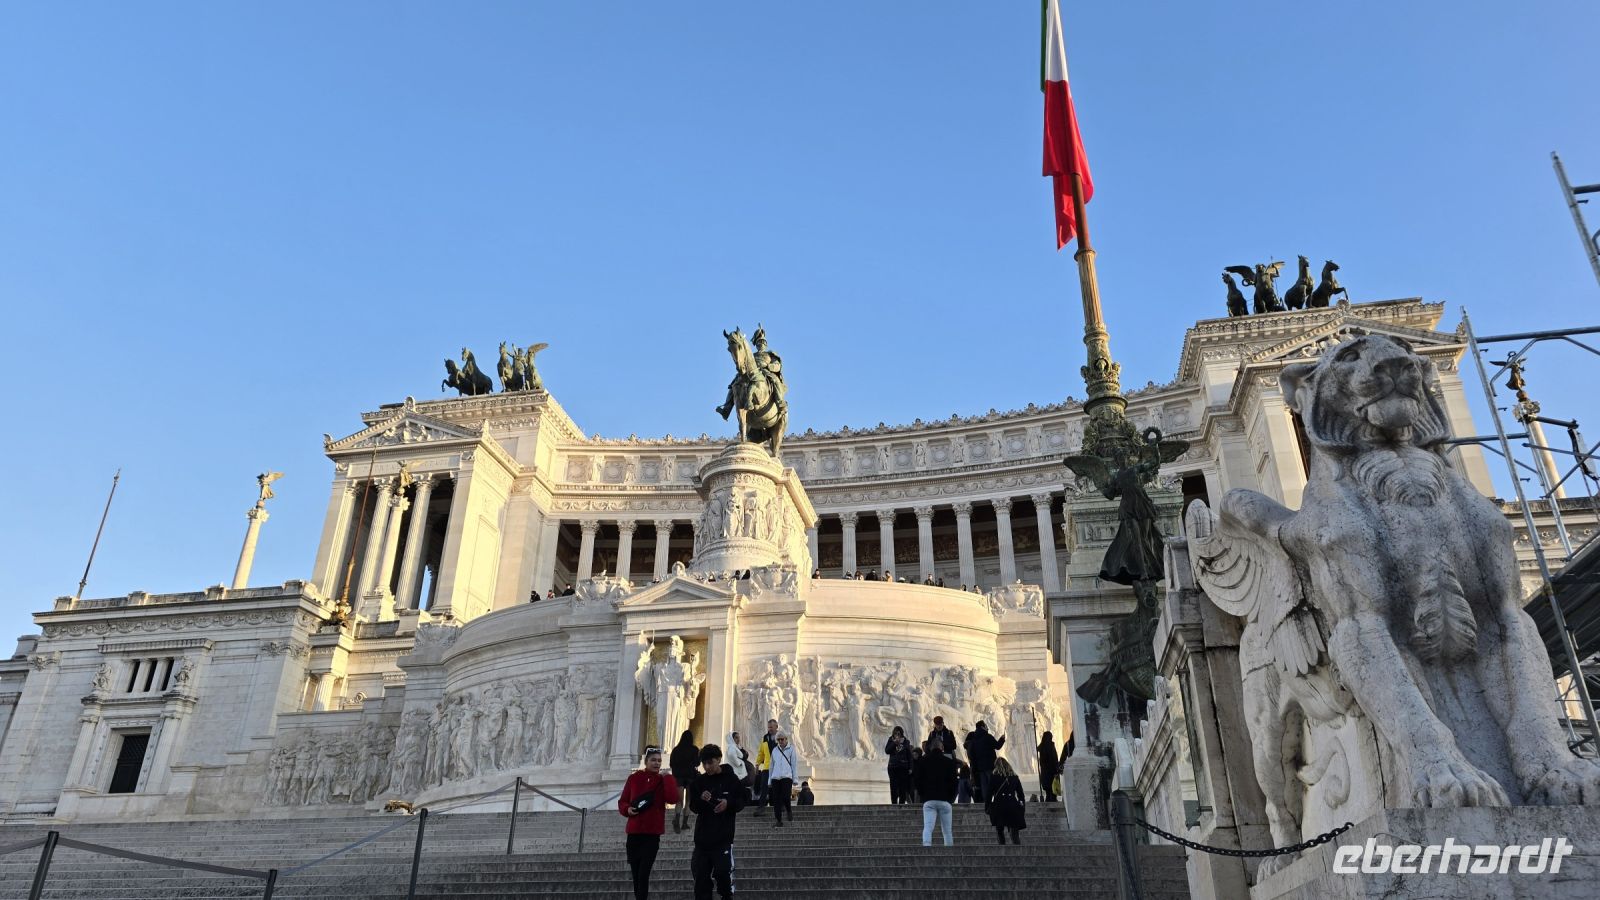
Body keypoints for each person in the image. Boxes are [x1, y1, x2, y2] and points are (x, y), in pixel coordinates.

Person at [618, 746, 678, 900]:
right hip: (634, 834)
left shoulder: (662, 780)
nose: (657, 763)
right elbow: (623, 801)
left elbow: (672, 798)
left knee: (644, 874)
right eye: (653, 760)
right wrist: (627, 809)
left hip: (652, 835)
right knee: (636, 874)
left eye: (659, 760)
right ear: (646, 762)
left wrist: (668, 778)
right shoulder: (634, 778)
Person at [688, 743, 746, 900]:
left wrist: (728, 804)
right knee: (700, 881)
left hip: (723, 839)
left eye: (710, 763)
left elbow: (741, 801)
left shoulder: (731, 779)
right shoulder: (699, 783)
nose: (707, 767)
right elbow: (693, 807)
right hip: (702, 840)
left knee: (723, 875)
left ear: (719, 760)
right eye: (704, 763)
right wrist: (701, 800)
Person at [912, 738, 959, 846]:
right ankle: (949, 853)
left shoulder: (923, 761)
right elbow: (954, 782)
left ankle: (927, 846)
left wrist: (923, 794)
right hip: (945, 800)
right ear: (942, 748)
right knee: (947, 831)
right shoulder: (949, 762)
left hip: (929, 799)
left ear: (930, 748)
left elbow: (917, 780)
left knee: (928, 827)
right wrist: (950, 798)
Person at [986, 757, 1028, 844]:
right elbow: (1021, 794)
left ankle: (1003, 850)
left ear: (996, 766)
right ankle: (1017, 851)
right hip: (1012, 805)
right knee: (1014, 832)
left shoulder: (994, 777)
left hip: (999, 806)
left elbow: (989, 794)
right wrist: (1022, 807)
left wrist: (987, 807)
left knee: (1000, 830)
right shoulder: (1015, 777)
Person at [964, 720, 1006, 802]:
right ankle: (997, 801)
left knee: (984, 786)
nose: (987, 727)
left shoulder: (974, 739)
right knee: (993, 783)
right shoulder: (987, 736)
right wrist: (1002, 739)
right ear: (983, 727)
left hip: (980, 767)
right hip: (990, 765)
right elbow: (997, 746)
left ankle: (986, 803)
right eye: (986, 726)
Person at [668, 730, 699, 833]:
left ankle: (676, 819)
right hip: (690, 777)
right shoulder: (694, 749)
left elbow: (671, 763)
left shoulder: (676, 750)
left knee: (679, 801)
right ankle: (685, 823)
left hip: (678, 777)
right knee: (688, 801)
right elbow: (697, 763)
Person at [766, 732, 799, 826]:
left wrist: (795, 778)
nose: (780, 741)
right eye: (778, 740)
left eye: (782, 739)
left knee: (785, 796)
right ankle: (778, 820)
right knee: (776, 800)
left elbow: (794, 765)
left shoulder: (791, 749)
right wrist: (769, 779)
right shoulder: (775, 750)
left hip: (786, 777)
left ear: (786, 739)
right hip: (775, 777)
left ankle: (789, 810)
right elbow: (771, 766)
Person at [884, 726, 913, 804]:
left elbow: (909, 755)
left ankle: (902, 803)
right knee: (893, 786)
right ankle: (894, 803)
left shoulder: (906, 742)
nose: (897, 735)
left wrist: (910, 767)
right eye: (896, 733)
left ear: (901, 734)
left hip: (903, 767)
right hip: (893, 767)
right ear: (893, 733)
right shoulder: (890, 740)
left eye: (899, 733)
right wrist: (894, 743)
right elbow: (887, 751)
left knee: (902, 787)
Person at [754, 719, 779, 805]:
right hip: (767, 767)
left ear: (776, 727)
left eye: (771, 727)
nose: (770, 729)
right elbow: (761, 752)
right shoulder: (765, 737)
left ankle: (778, 805)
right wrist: (757, 763)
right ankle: (761, 807)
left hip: (778, 767)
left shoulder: (781, 737)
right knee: (764, 787)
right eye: (768, 727)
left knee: (777, 787)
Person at [725, 732, 754, 800]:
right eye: (736, 737)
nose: (738, 739)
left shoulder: (737, 747)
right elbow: (732, 755)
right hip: (737, 772)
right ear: (732, 738)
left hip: (740, 773)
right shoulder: (732, 747)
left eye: (739, 737)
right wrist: (739, 763)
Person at [1036, 730, 1061, 803]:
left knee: (1048, 791)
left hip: (1045, 773)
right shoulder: (1050, 746)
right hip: (1052, 772)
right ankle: (1053, 801)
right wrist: (1057, 769)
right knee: (1053, 791)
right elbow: (1053, 759)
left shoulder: (1042, 747)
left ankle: (1048, 800)